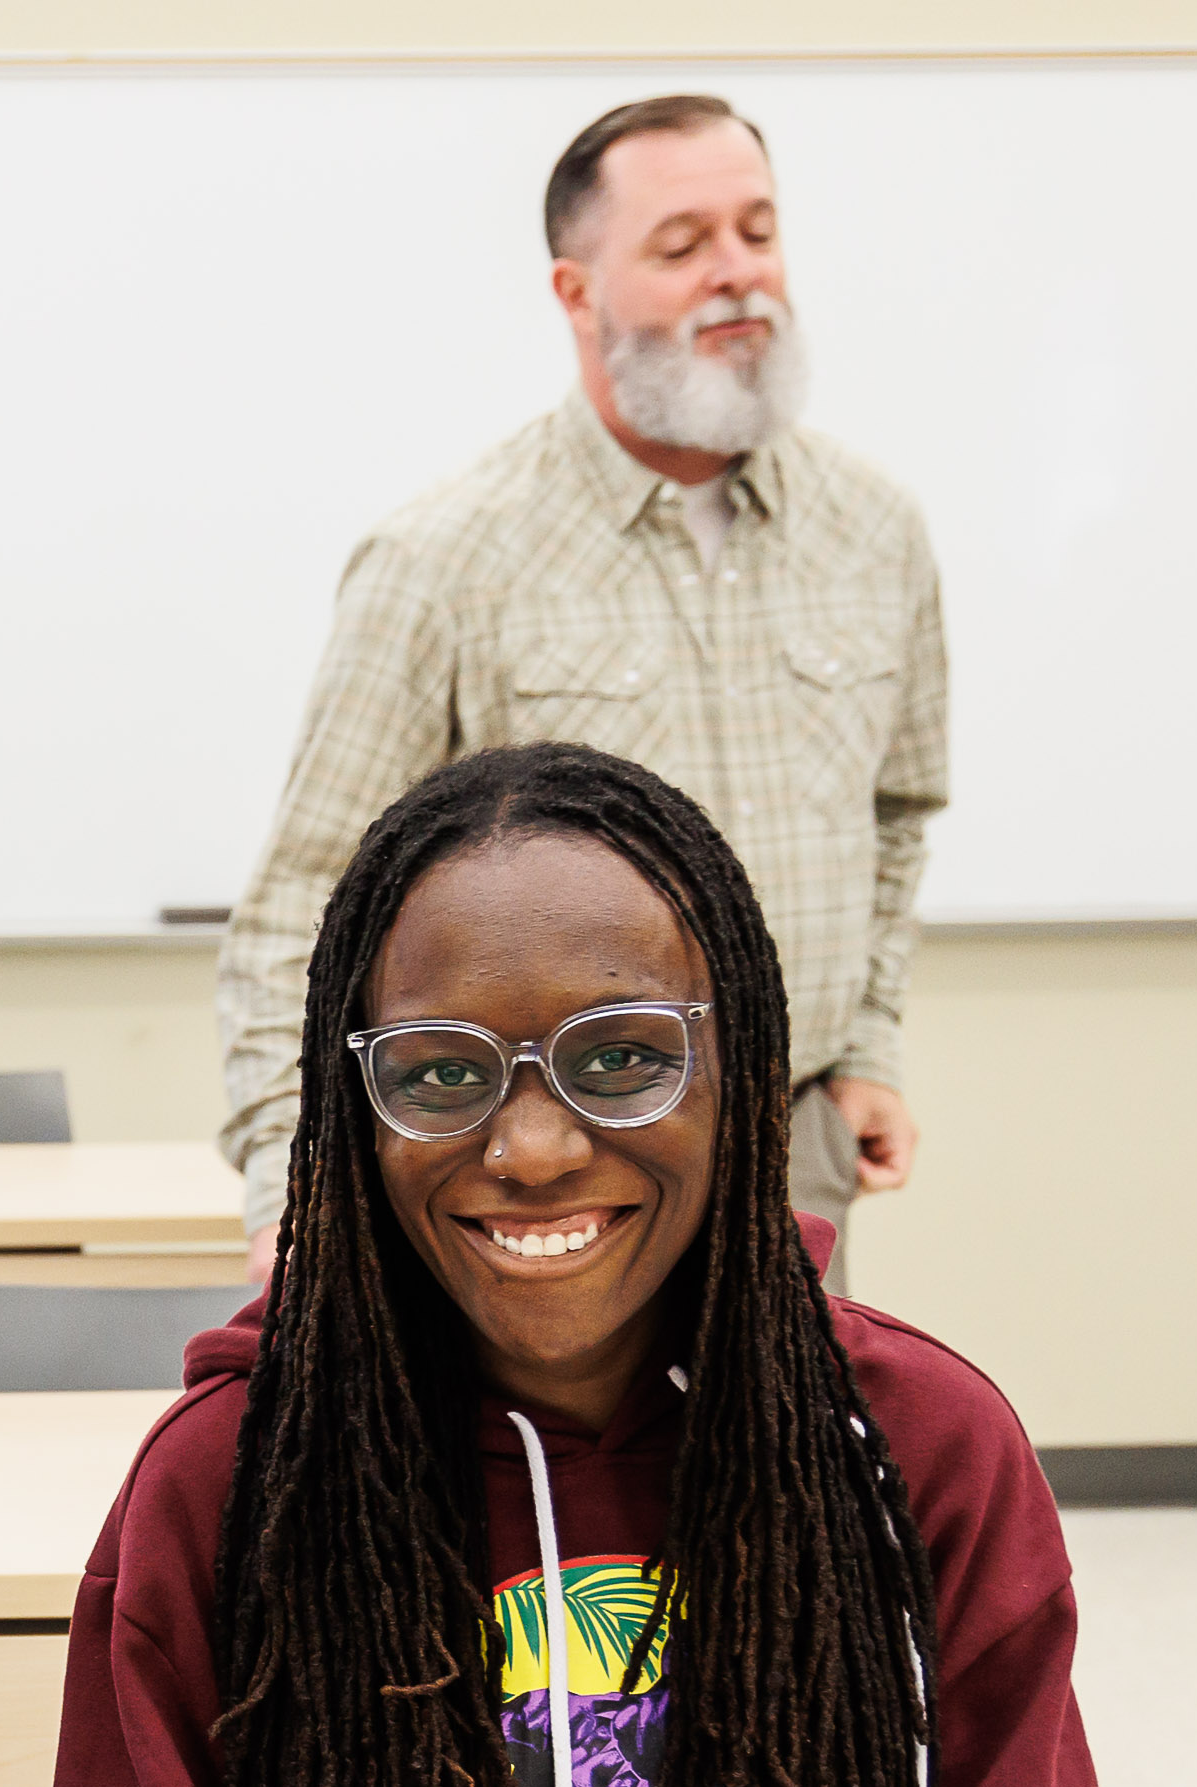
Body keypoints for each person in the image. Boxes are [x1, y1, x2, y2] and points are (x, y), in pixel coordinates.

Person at [50, 740, 1099, 1787]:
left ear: (744, 1072)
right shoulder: (229, 1488)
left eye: (623, 1059)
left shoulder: (916, 1455)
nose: (534, 1147)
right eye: (437, 1075)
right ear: (351, 1112)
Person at [212, 91, 943, 1297]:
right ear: (575, 293)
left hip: (787, 1140)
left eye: (757, 231)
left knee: (775, 1479)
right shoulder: (446, 559)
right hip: (547, 1156)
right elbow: (305, 898)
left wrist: (865, 1044)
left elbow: (898, 814)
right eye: (682, 245)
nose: (738, 275)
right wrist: (293, 1189)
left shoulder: (876, 529)